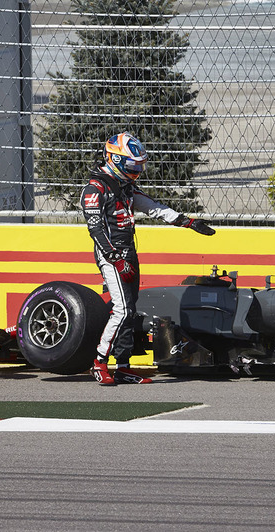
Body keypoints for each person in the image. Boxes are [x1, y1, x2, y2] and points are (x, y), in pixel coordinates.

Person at [80, 132, 215, 385]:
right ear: (114, 160)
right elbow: (95, 230)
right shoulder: (94, 188)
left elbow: (154, 207)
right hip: (111, 254)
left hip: (128, 252)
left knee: (130, 312)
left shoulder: (125, 186)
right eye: (132, 165)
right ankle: (99, 363)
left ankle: (122, 367)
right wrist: (114, 257)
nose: (136, 171)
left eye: (139, 166)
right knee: (120, 311)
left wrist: (188, 222)